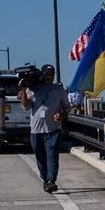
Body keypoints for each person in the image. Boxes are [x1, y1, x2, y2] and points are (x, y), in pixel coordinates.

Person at [17, 64, 68, 193]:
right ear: (42, 75)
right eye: (47, 75)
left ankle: (51, 181)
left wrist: (62, 115)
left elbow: (67, 108)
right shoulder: (32, 88)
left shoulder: (59, 89)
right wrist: (23, 90)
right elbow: (26, 106)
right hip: (36, 130)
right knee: (40, 156)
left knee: (52, 155)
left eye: (52, 75)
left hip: (53, 130)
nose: (49, 77)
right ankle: (45, 180)